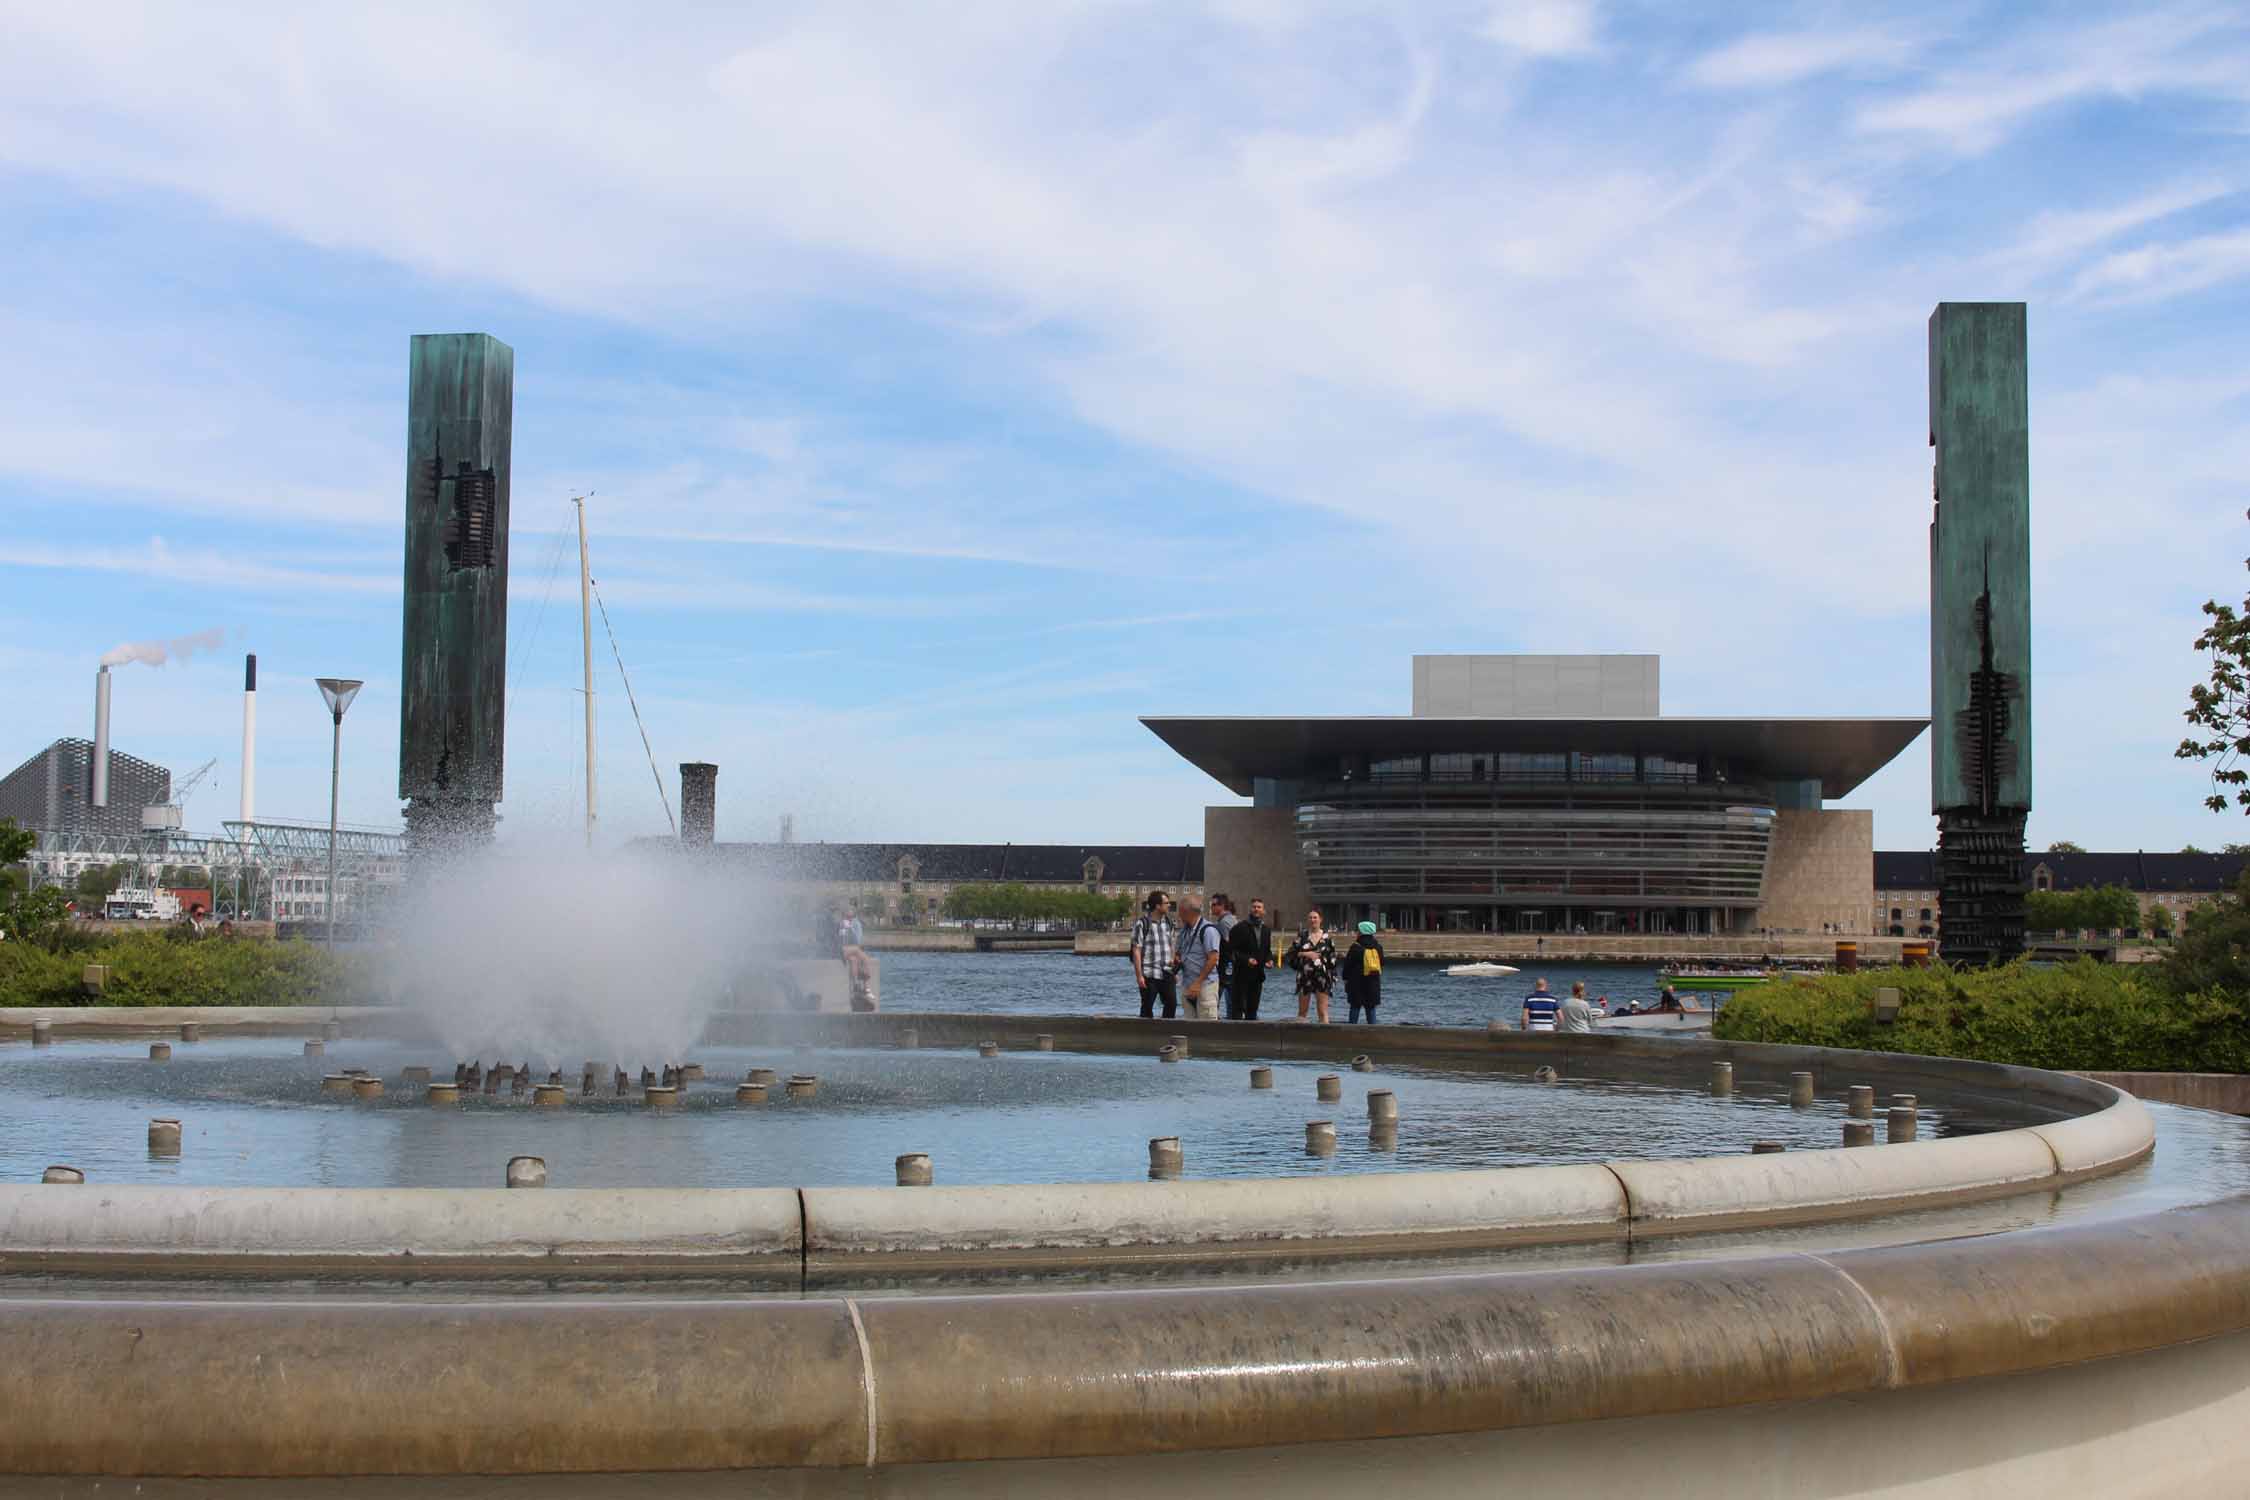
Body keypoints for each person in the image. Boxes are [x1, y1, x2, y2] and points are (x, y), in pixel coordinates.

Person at [1130, 891, 1178, 1020]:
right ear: (1157, 906)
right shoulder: (1142, 924)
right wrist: (1139, 976)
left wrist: (1174, 969)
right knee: (1147, 1007)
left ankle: (1166, 1032)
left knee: (1172, 1004)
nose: (1169, 905)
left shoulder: (1169, 922)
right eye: (1166, 903)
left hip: (1167, 972)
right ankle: (1145, 1035)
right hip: (1149, 973)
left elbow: (1172, 944)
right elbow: (1136, 950)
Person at [1175, 896, 1225, 1020]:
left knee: (1207, 1027)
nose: (1178, 915)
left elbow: (1213, 959)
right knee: (1190, 1026)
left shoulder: (1208, 931)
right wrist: (1177, 960)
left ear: (1187, 912)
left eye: (1180, 911)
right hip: (1187, 985)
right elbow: (1179, 952)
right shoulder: (1184, 931)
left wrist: (1198, 983)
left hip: (1205, 986)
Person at [1287, 910, 1337, 1024]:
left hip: (1322, 977)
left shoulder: (1327, 938)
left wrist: (1332, 978)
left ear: (1320, 919)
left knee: (1322, 1011)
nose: (1312, 920)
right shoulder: (1302, 936)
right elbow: (1290, 954)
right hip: (1305, 977)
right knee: (1302, 1012)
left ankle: (1325, 1036)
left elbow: (1333, 960)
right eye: (1310, 918)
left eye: (1315, 917)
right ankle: (1300, 1038)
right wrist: (1306, 954)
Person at [1228, 898, 1273, 1020]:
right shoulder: (1239, 928)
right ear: (1250, 909)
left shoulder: (1266, 930)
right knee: (1238, 1009)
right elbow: (1232, 951)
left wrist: (1269, 960)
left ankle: (1251, 1034)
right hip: (1240, 976)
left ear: (1264, 911)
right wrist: (1246, 959)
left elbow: (1267, 950)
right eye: (1254, 907)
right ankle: (1236, 1035)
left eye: (1259, 907)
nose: (1256, 909)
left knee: (1252, 1009)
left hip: (1257, 976)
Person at [1342, 921, 1383, 1024]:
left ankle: (1351, 1032)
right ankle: (1373, 1033)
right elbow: (1382, 963)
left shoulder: (1355, 947)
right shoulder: (1378, 947)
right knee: (1371, 1008)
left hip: (1356, 983)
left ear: (1361, 932)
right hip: (1373, 982)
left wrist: (1345, 978)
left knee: (1355, 1007)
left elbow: (1347, 965)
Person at [1210, 893, 1239, 1019]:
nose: (1211, 907)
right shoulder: (1232, 919)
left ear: (1222, 906)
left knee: (1215, 998)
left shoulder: (1223, 923)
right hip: (1233, 965)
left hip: (1226, 965)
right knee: (1232, 999)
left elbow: (1229, 942)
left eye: (1214, 905)